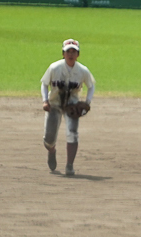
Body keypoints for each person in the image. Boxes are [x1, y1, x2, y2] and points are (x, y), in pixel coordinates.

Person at [40, 39, 95, 177]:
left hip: (72, 107)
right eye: (68, 51)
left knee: (72, 135)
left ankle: (69, 165)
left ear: (78, 54)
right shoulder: (54, 67)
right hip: (54, 105)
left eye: (74, 52)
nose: (71, 54)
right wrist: (45, 101)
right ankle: (52, 151)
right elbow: (44, 83)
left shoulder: (83, 71)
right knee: (49, 139)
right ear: (63, 53)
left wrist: (87, 102)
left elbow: (91, 85)